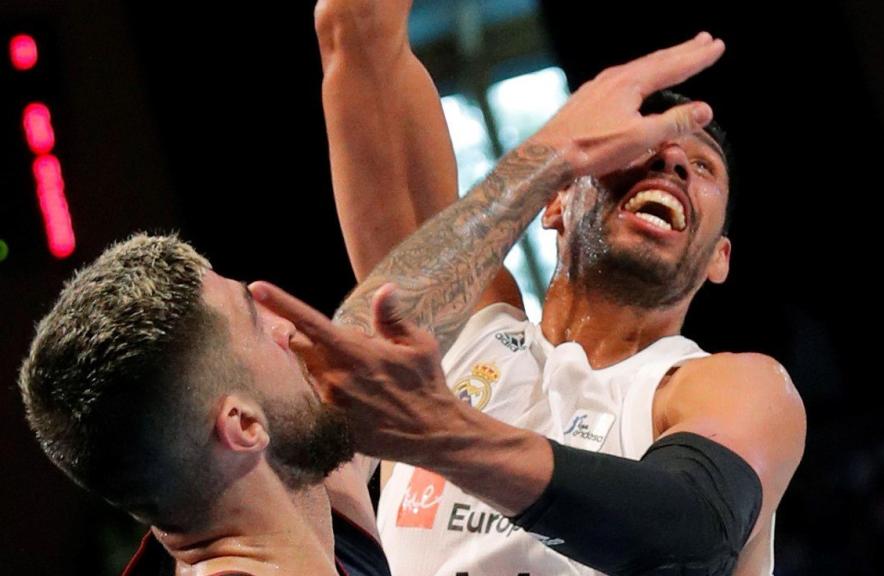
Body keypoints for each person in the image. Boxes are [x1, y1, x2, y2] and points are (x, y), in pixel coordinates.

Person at [260, 1, 806, 575]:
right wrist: (544, 157)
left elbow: (690, 540)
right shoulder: (450, 334)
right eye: (639, 149)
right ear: (554, 201)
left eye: (703, 167)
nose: (670, 160)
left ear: (720, 258)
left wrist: (439, 432)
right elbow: (357, 28)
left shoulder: (734, 389)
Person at [18, 234, 389, 575]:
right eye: (256, 321)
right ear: (242, 426)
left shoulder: (292, 482)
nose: (285, 328)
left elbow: (396, 301)